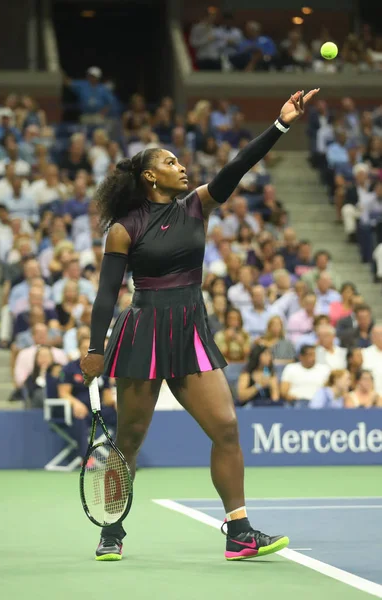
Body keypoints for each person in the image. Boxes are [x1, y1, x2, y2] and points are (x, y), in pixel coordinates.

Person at [80, 89, 319, 561]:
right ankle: (112, 529)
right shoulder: (125, 228)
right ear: (151, 176)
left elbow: (237, 168)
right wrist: (94, 348)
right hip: (142, 332)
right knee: (128, 440)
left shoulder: (196, 206)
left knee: (227, 427)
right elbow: (108, 292)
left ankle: (239, 532)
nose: (181, 166)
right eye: (170, 162)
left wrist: (281, 124)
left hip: (190, 331)